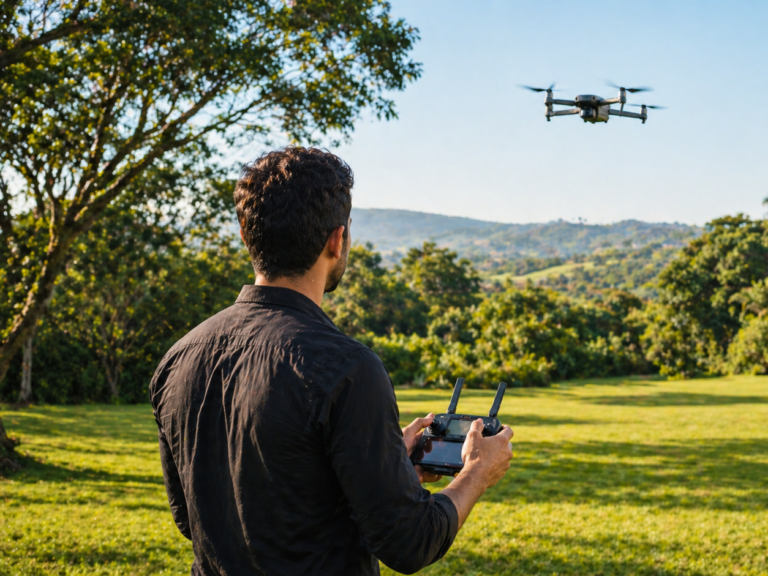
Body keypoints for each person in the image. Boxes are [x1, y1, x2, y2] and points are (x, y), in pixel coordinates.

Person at [150, 147, 514, 575]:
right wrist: (476, 472)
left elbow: (190, 519)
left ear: (247, 236)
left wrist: (377, 469)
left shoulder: (177, 359)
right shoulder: (348, 369)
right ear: (336, 240)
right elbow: (411, 543)